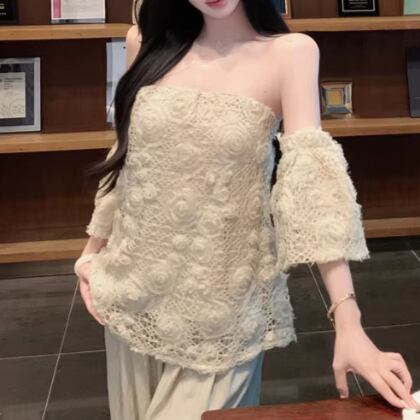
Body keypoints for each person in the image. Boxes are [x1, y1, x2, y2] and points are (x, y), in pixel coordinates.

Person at [73, 1, 419, 419]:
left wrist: (349, 323)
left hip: (222, 316)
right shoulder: (145, 42)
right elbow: (130, 159)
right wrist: (91, 252)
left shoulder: (290, 54)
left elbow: (311, 187)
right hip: (129, 297)